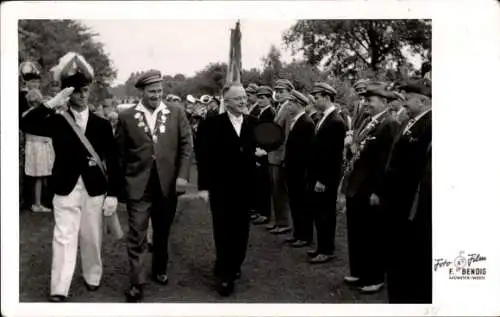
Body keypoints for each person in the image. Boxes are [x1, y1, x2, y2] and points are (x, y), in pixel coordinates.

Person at [20, 52, 120, 302]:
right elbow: (26, 124)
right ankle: (59, 287)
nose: (83, 95)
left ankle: (92, 276)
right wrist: (52, 102)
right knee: (64, 237)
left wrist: (114, 193)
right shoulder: (56, 120)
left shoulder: (102, 124)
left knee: (92, 236)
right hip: (65, 186)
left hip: (94, 187)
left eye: (85, 90)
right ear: (67, 93)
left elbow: (114, 161)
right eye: (76, 91)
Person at [116, 70, 193, 302]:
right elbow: (119, 154)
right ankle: (136, 283)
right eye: (151, 91)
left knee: (162, 232)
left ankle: (159, 268)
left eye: (159, 91)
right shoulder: (127, 116)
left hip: (167, 186)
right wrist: (119, 189)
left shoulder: (177, 113)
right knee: (137, 234)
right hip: (138, 185)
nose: (156, 95)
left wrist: (182, 176)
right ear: (142, 92)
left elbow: (186, 146)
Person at [196, 83, 264, 297]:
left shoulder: (255, 123)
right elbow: (203, 157)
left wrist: (259, 156)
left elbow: (261, 150)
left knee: (241, 231)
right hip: (221, 189)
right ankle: (225, 274)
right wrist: (204, 187)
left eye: (244, 97)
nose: (244, 101)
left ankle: (234, 265)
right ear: (227, 101)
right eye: (238, 99)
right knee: (223, 230)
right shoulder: (211, 125)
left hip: (245, 188)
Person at [343, 85, 400, 294]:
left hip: (371, 189)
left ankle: (375, 277)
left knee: (373, 235)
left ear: (384, 103)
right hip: (357, 185)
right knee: (358, 232)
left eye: (371, 100)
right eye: (366, 100)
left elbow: (387, 162)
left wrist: (379, 191)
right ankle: (359, 271)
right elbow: (359, 150)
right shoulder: (369, 122)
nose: (366, 103)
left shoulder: (390, 124)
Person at [380, 80, 432, 303]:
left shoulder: (430, 124)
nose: (404, 103)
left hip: (409, 202)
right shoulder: (410, 122)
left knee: (409, 257)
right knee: (397, 254)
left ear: (423, 100)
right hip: (396, 200)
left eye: (408, 99)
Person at [306, 82, 346, 263]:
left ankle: (327, 250)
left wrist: (322, 180)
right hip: (317, 174)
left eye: (317, 97)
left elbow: (332, 156)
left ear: (327, 97)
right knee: (318, 211)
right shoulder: (324, 118)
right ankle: (321, 246)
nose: (314, 100)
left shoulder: (336, 122)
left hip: (325, 177)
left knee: (326, 213)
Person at [20, 61, 55, 213]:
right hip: (30, 139)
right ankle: (30, 201)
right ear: (26, 82)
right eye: (31, 81)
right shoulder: (22, 98)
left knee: (42, 172)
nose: (35, 84)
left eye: (36, 81)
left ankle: (42, 200)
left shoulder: (41, 99)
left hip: (41, 140)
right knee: (33, 173)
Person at [283, 90, 315, 248]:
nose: (288, 106)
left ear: (299, 104)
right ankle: (297, 233)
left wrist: (302, 174)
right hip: (292, 171)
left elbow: (305, 153)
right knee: (295, 204)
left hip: (300, 173)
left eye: (290, 103)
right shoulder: (296, 121)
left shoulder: (306, 123)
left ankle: (305, 235)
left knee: (302, 205)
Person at [266, 79, 294, 234]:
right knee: (275, 191)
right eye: (277, 91)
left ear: (290, 92)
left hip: (280, 156)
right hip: (274, 155)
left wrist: (285, 157)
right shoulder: (280, 107)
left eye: (282, 91)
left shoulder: (289, 108)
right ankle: (278, 220)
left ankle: (283, 222)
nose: (279, 94)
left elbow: (288, 136)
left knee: (280, 191)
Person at [251, 86, 276, 225]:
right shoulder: (262, 112)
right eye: (259, 98)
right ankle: (261, 211)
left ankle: (265, 213)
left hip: (264, 153)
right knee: (259, 183)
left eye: (263, 98)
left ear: (269, 99)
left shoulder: (270, 113)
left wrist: (264, 152)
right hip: (258, 150)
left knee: (264, 185)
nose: (260, 101)